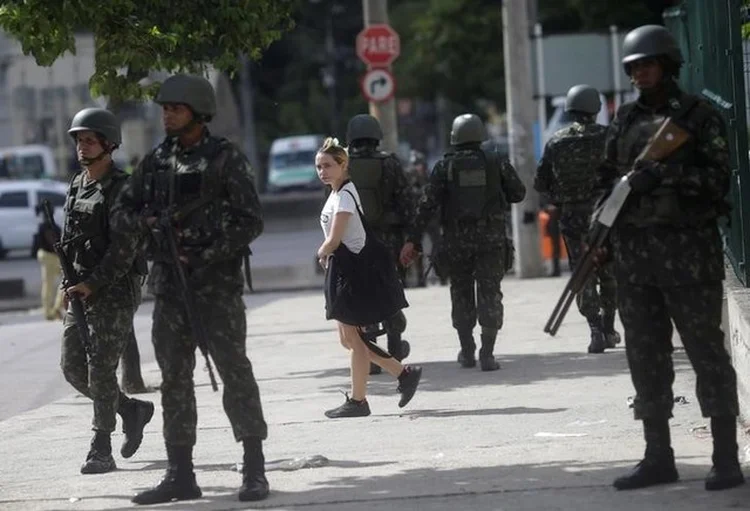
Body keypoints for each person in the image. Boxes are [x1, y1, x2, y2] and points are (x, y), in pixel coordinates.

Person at [594, 25, 744, 491]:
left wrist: (663, 176)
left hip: (688, 257)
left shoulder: (698, 117)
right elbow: (606, 184)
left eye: (647, 64)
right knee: (645, 357)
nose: (640, 73)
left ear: (669, 64)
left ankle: (725, 457)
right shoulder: (621, 122)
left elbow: (719, 181)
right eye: (633, 66)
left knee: (706, 354)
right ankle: (658, 455)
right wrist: (598, 234)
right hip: (635, 262)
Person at [114, 74, 270, 504]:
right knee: (174, 381)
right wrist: (147, 225)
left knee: (235, 372)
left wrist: (206, 253)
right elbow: (122, 211)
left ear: (198, 113)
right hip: (170, 290)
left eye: (175, 108)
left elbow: (250, 220)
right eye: (164, 108)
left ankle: (254, 468)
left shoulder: (225, 159)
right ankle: (180, 473)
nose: (166, 114)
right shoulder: (155, 161)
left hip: (215, 289)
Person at [60, 107, 154, 474]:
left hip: (115, 286)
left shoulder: (123, 189)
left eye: (89, 140)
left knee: (100, 366)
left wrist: (93, 283)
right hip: (80, 288)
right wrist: (68, 284)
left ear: (108, 144)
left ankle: (101, 446)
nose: (82, 147)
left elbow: (123, 250)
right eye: (79, 141)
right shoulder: (77, 184)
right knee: (72, 368)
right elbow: (71, 241)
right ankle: (131, 409)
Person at [400, 114, 526, 371]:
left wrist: (413, 239)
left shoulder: (445, 166)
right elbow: (518, 193)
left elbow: (426, 206)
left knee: (461, 293)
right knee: (490, 292)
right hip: (491, 240)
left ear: (454, 137)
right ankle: (488, 354)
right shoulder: (495, 161)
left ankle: (467, 351)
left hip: (456, 241)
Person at [316, 136, 422, 418]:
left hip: (355, 273)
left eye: (327, 165)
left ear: (343, 165)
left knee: (355, 339)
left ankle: (360, 400)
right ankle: (402, 373)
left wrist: (321, 252)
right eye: (319, 167)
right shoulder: (336, 194)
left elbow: (335, 238)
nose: (322, 171)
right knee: (349, 340)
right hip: (344, 270)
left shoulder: (347, 194)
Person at [534, 84, 621, 354]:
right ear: (595, 108)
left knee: (582, 273)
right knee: (609, 272)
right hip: (605, 216)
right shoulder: (609, 137)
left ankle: (594, 329)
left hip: (572, 218)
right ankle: (608, 326)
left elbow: (541, 183)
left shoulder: (556, 141)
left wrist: (561, 198)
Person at [345, 114, 413, 373]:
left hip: (354, 244)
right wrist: (412, 239)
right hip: (387, 242)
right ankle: (395, 349)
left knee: (362, 296)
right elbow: (407, 203)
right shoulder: (390, 164)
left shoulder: (343, 166)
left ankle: (370, 355)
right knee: (390, 293)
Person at [406, 150, 446, 287]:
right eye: (415, 165)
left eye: (419, 164)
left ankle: (442, 275)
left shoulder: (430, 178)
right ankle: (420, 278)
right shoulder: (409, 180)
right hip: (417, 220)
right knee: (416, 248)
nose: (418, 167)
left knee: (438, 246)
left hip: (432, 219)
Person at [33, 203, 64, 320]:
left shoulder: (44, 226)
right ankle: (54, 309)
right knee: (61, 282)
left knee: (48, 285)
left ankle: (51, 310)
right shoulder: (50, 227)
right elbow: (52, 242)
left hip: (46, 255)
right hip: (50, 256)